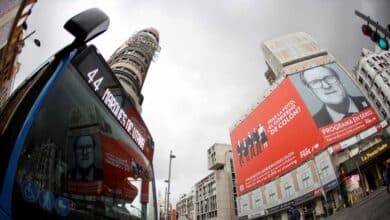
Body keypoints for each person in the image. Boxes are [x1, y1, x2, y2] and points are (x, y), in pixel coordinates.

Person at [301, 65, 368, 127]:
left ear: (339, 79)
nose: (326, 86)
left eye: (329, 78)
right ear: (310, 90)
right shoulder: (315, 124)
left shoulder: (368, 101)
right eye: (315, 82)